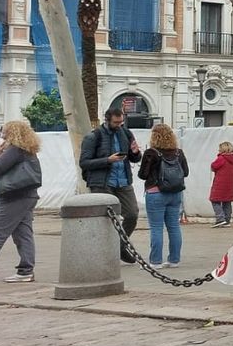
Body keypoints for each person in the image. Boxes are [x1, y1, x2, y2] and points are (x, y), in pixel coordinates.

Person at [79, 108, 142, 252]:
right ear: (107, 120)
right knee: (104, 220)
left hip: (124, 181)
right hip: (102, 183)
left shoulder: (126, 133)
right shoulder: (93, 136)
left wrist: (136, 152)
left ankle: (120, 246)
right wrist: (108, 160)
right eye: (116, 122)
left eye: (121, 122)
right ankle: (102, 251)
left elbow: (134, 159)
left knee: (132, 214)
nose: (119, 125)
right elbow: (84, 162)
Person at [0, 120, 43, 283]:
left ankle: (26, 270)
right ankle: (26, 271)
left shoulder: (15, 149)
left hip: (13, 196)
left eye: (4, 132)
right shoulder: (27, 150)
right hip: (27, 195)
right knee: (23, 233)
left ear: (12, 133)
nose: (2, 135)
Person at [138, 124, 190, 269]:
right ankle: (174, 260)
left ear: (154, 136)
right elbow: (185, 172)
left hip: (156, 194)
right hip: (175, 193)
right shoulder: (178, 153)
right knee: (174, 227)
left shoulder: (151, 153)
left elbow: (142, 175)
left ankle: (155, 262)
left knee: (156, 228)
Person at [209, 141, 233, 227]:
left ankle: (220, 219)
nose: (218, 150)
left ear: (223, 149)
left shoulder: (221, 158)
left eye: (219, 149)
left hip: (220, 183)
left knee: (214, 200)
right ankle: (227, 220)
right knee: (227, 201)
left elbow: (213, 166)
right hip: (230, 184)